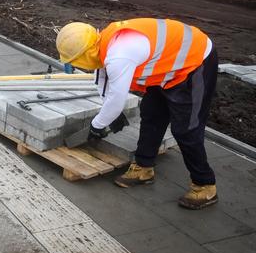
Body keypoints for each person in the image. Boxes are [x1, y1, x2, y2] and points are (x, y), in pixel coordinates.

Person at [56, 18, 219, 210]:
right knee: (151, 114)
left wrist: (97, 126)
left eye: (76, 61)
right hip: (167, 67)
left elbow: (117, 99)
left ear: (83, 54)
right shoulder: (101, 45)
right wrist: (106, 117)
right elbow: (103, 83)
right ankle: (143, 167)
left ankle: (205, 185)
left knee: (186, 129)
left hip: (195, 61)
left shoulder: (119, 55)